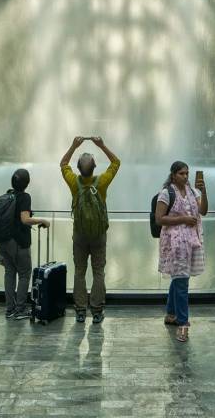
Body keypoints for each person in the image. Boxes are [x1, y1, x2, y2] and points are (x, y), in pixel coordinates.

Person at [60, 135, 120, 324]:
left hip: (79, 234)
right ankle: (96, 311)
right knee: (98, 271)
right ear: (95, 168)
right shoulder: (101, 182)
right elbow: (116, 162)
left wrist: (73, 146)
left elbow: (63, 164)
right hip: (99, 235)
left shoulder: (73, 182)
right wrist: (101, 145)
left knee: (79, 271)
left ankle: (79, 310)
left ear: (78, 169)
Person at [155, 161, 208, 343]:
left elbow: (204, 211)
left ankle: (171, 314)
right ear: (173, 175)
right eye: (181, 174)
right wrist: (183, 219)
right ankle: (183, 324)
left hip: (191, 242)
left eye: (187, 173)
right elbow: (159, 219)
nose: (185, 177)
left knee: (179, 278)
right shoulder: (166, 193)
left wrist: (204, 191)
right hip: (175, 245)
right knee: (182, 282)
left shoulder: (193, 192)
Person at [0, 168, 50, 320]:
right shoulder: (24, 197)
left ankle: (9, 309)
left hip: (5, 243)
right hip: (19, 243)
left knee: (9, 273)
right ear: (27, 183)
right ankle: (20, 309)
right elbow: (25, 219)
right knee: (24, 274)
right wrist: (42, 220)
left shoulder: (8, 195)